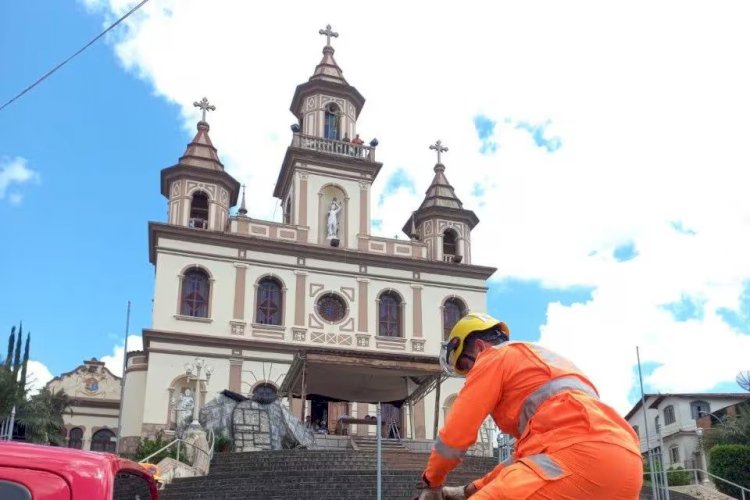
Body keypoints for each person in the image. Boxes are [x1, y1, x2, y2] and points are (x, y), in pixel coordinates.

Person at [416, 312, 642, 499]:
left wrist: (432, 481)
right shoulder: (539, 365)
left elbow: (456, 434)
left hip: (580, 457)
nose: (468, 377)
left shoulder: (493, 357)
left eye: (466, 365)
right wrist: (467, 491)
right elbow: (526, 462)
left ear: (479, 347)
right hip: (625, 463)